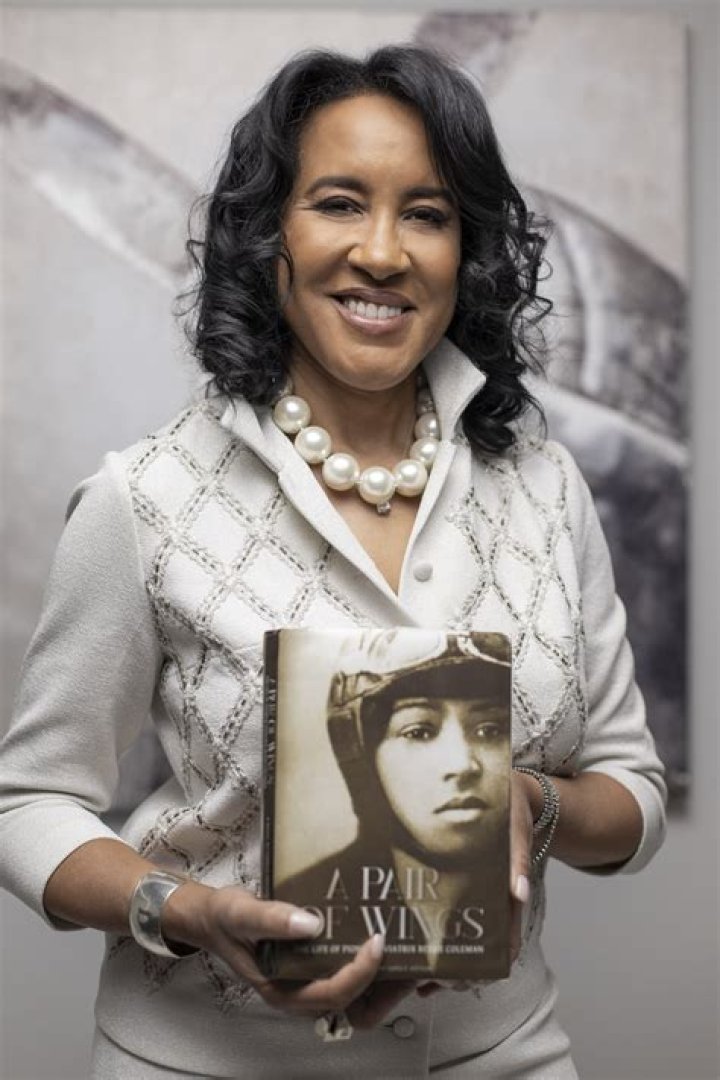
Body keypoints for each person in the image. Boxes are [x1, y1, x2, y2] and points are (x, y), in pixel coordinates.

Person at [0, 44, 666, 1079]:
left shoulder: (546, 488)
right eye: (339, 203)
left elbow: (632, 793)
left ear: (466, 252)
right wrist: (182, 908)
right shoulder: (146, 497)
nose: (383, 252)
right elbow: (29, 806)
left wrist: (531, 805)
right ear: (270, 235)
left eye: (427, 214)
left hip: (505, 1056)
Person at [275, 629, 512, 981]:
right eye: (419, 732)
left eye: (490, 730)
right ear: (361, 756)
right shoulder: (294, 905)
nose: (462, 765)